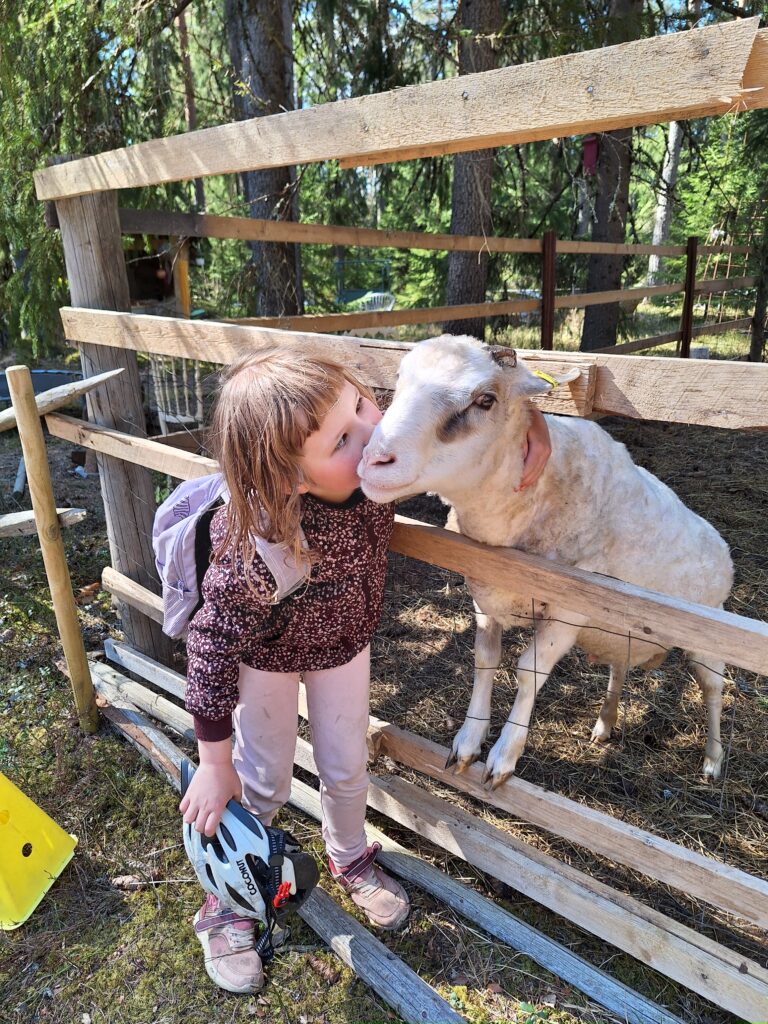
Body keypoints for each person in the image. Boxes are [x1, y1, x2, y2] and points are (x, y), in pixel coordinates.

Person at [179, 345, 552, 994]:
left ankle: (349, 857)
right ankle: (232, 896)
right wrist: (213, 764)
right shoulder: (255, 545)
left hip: (344, 647)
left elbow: (452, 397)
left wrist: (528, 420)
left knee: (347, 765)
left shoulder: (375, 465)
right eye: (342, 438)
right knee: (261, 780)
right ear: (291, 479)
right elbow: (210, 647)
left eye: (362, 405)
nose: (371, 430)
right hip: (267, 658)